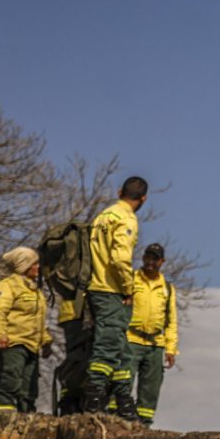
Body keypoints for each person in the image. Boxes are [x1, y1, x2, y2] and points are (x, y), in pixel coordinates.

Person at [81, 176, 148, 420]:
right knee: (107, 346)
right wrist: (128, 287)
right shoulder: (126, 218)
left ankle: (123, 401)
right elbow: (120, 258)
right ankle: (94, 401)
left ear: (120, 191)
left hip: (96, 287)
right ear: (143, 199)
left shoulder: (103, 216)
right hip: (110, 290)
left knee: (121, 349)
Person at [0, 246, 52, 413]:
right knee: (10, 382)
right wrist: (0, 334)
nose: (38, 267)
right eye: (35, 264)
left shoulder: (35, 290)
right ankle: (4, 418)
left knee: (29, 389)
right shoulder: (8, 285)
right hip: (12, 343)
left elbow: (37, 320)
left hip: (32, 345)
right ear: (24, 266)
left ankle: (27, 422)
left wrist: (46, 341)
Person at [124, 243, 178, 426]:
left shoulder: (167, 289)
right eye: (148, 257)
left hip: (155, 344)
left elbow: (171, 321)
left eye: (155, 259)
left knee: (150, 389)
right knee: (123, 382)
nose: (150, 262)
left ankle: (143, 424)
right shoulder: (131, 279)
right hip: (130, 339)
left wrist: (171, 349)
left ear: (162, 261)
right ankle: (117, 420)